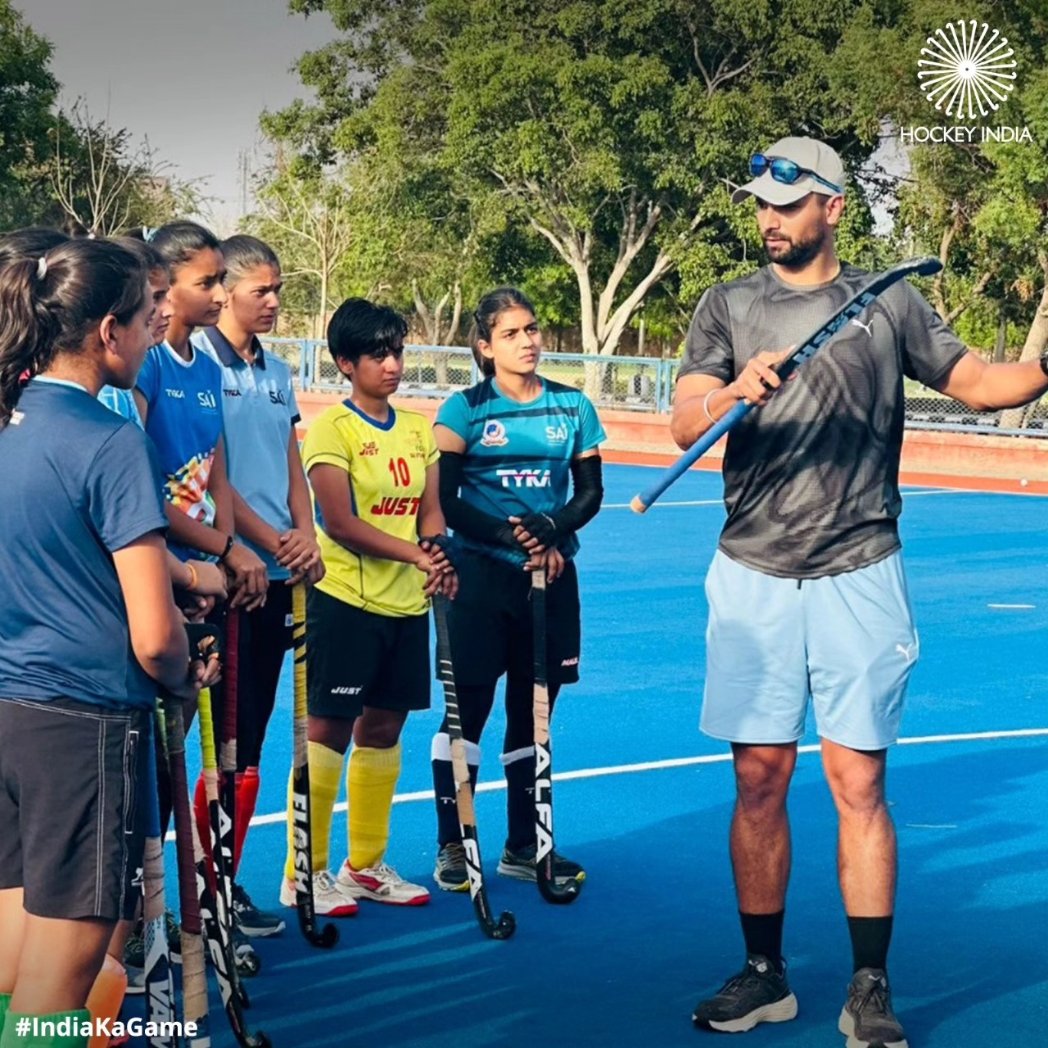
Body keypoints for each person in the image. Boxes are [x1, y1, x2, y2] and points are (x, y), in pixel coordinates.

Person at [672, 135, 1048, 1048]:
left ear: (833, 207)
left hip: (861, 569)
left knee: (859, 783)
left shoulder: (891, 306)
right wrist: (732, 392)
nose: (769, 218)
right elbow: (684, 412)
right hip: (754, 570)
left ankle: (869, 988)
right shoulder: (727, 304)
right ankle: (766, 976)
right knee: (759, 780)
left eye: (787, 203)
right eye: (761, 203)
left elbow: (984, 386)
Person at [0, 238, 216, 1047]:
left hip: (10, 715)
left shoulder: (8, 418)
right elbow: (155, 633)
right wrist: (180, 670)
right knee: (54, 1004)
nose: (157, 325)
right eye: (145, 314)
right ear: (106, 332)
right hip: (85, 727)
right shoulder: (108, 438)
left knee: (16, 975)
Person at [280, 297, 454, 915]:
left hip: (404, 607)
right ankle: (305, 868)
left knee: (384, 729)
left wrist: (435, 553)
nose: (392, 364)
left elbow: (429, 513)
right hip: (344, 600)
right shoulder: (332, 429)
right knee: (327, 730)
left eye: (397, 351)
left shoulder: (415, 428)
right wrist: (413, 557)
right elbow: (340, 522)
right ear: (345, 363)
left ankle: (365, 864)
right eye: (377, 354)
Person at [429, 286, 605, 892]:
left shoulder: (573, 407)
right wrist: (516, 537)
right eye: (511, 333)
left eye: (531, 330)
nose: (528, 341)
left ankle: (523, 847)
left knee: (533, 718)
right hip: (477, 578)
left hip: (551, 576)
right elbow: (448, 500)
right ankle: (454, 844)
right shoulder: (464, 410)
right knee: (467, 715)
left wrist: (552, 531)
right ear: (484, 346)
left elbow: (589, 493)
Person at [193, 234, 323, 938]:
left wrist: (305, 537)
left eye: (278, 289)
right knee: (224, 741)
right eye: (260, 290)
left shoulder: (276, 370)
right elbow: (217, 478)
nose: (272, 302)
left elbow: (289, 460)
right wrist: (265, 542)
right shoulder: (198, 365)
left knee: (252, 739)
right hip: (228, 570)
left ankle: (223, 880)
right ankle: (197, 889)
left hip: (277, 576)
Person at [132, 221, 268, 612]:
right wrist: (224, 548)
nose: (222, 295)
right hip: (164, 564)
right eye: (206, 283)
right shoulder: (146, 365)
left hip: (207, 568)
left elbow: (216, 477)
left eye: (222, 280)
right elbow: (138, 492)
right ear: (165, 287)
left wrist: (225, 557)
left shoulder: (209, 369)